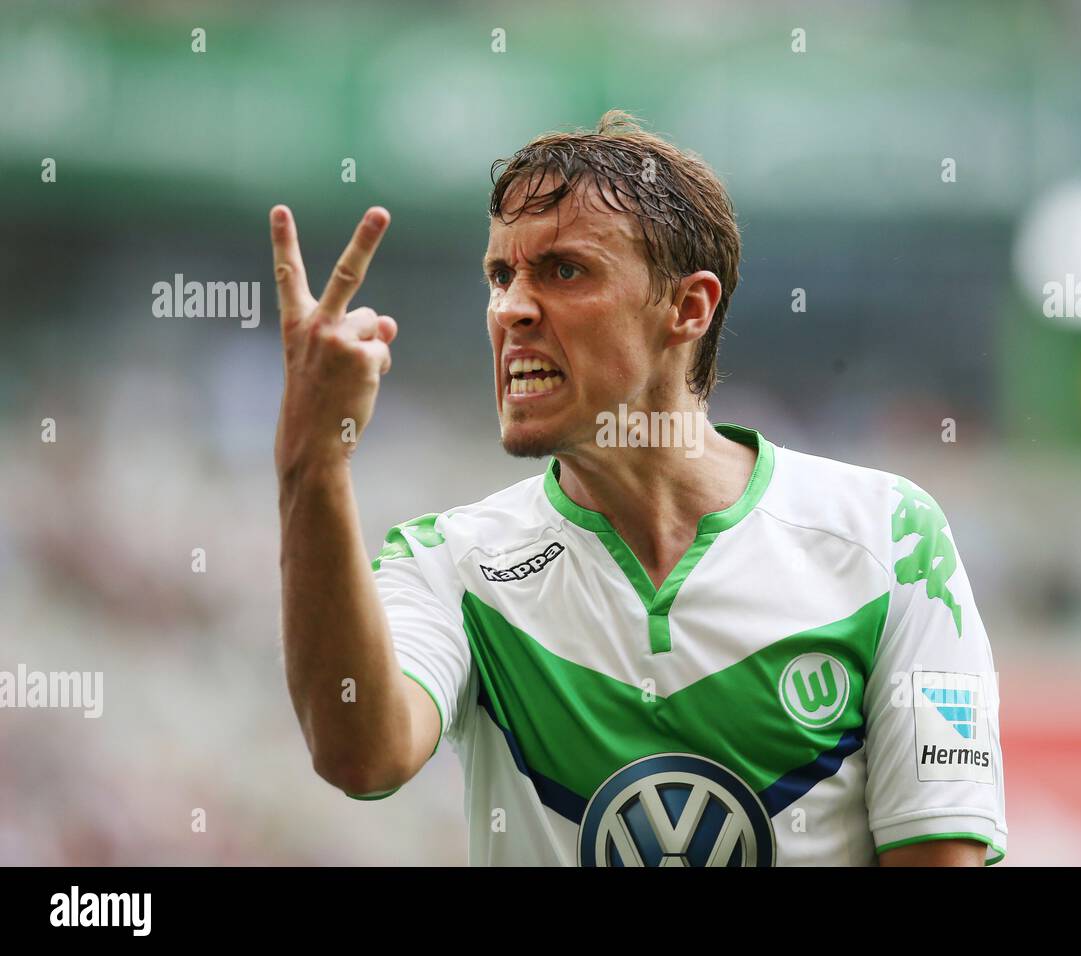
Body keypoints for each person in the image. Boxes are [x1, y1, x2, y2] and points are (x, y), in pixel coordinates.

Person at [272, 110, 1007, 866]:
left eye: (563, 270)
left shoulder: (891, 540)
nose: (511, 309)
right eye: (500, 275)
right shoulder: (452, 564)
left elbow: (938, 856)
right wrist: (314, 462)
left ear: (688, 308)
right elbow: (361, 754)